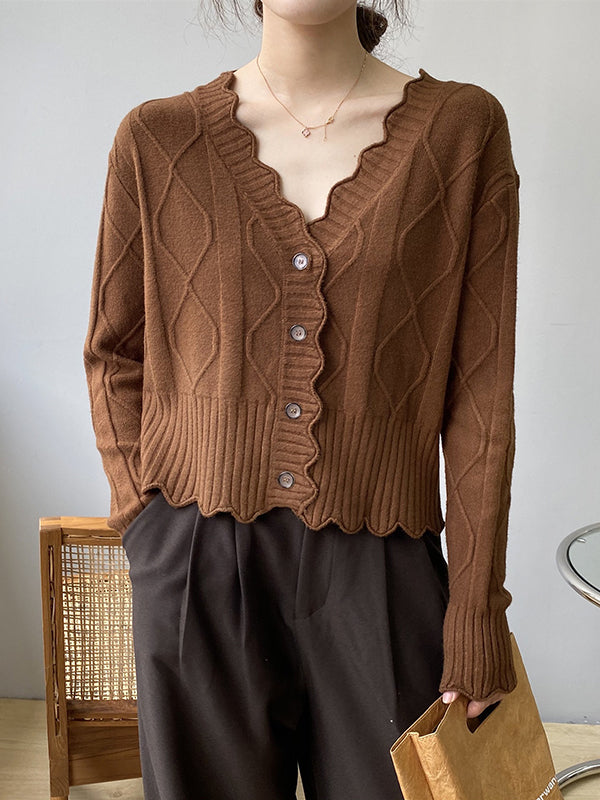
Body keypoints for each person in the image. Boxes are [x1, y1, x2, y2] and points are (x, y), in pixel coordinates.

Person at [83, 1, 521, 797]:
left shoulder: (462, 131)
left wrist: (476, 611)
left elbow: (480, 396)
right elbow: (114, 353)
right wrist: (142, 518)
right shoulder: (156, 139)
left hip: (382, 562)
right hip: (195, 557)